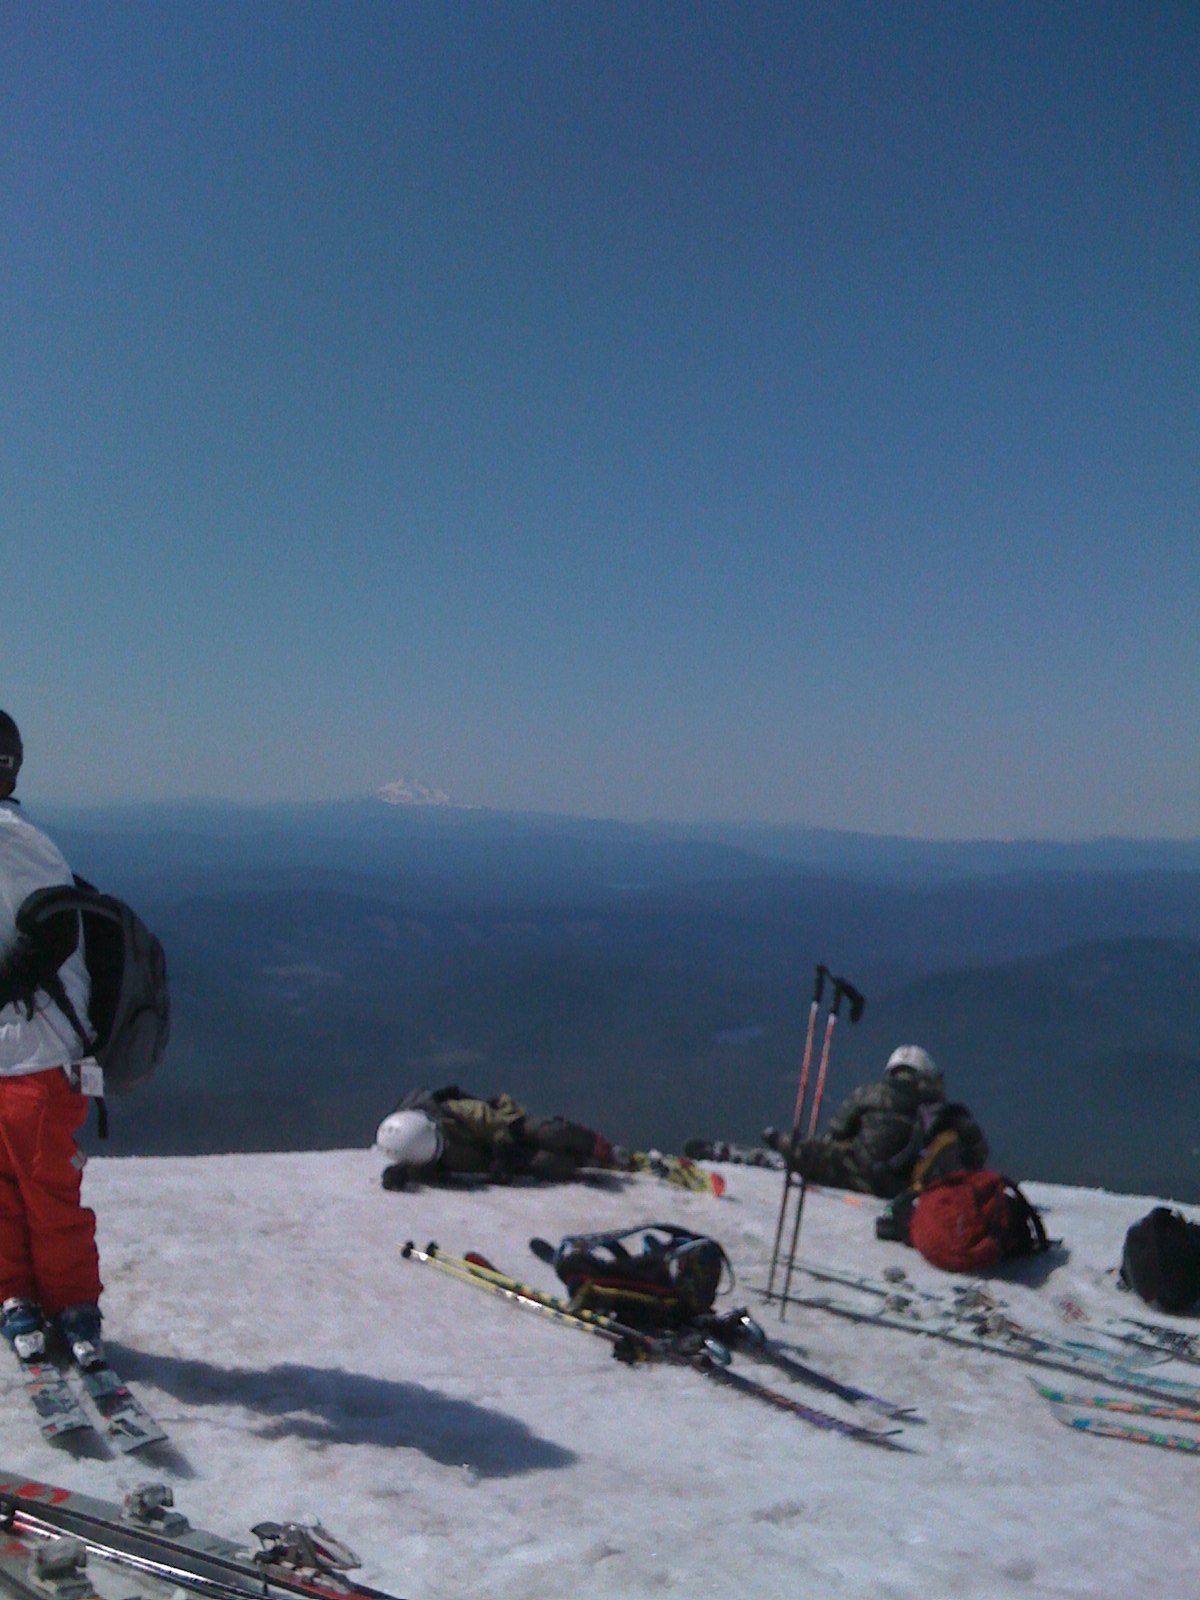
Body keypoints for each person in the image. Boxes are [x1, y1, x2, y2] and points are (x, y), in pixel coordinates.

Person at [0, 711, 103, 1364]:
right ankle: (17, 1296)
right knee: (3, 1188)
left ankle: (73, 1305)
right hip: (10, 1052)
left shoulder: (15, 839)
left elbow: (54, 930)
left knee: (46, 1190)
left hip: (40, 1053)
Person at [767, 1044, 988, 1199]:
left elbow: (837, 1130)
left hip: (859, 1174)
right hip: (909, 1186)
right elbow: (978, 1151)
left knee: (816, 1150)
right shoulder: (944, 1109)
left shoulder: (870, 1092)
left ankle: (784, 1145)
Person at [375, 1084, 619, 1190]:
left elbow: (498, 1125)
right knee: (552, 1165)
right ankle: (585, 1162)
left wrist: (501, 1155)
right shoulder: (418, 1152)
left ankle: (599, 1148)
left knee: (549, 1132)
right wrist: (398, 1175)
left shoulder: (457, 1113)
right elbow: (414, 1169)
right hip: (493, 1157)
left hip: (507, 1127)